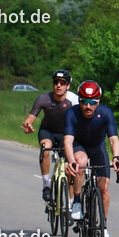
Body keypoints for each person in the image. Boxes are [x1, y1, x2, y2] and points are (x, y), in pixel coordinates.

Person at [64, 81, 119, 237]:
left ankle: (103, 227)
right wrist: (71, 161)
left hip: (98, 147)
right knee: (81, 163)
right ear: (79, 101)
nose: (88, 106)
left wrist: (117, 157)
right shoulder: (72, 113)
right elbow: (68, 141)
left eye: (92, 102)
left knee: (103, 188)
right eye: (84, 101)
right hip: (79, 145)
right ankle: (76, 201)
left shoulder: (106, 113)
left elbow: (113, 139)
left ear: (98, 102)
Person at [22, 69, 76, 202]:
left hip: (66, 134)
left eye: (62, 83)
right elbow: (31, 117)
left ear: (68, 86)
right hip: (48, 131)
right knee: (45, 148)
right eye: (56, 82)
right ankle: (46, 185)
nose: (58, 85)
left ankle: (70, 203)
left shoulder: (74, 100)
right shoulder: (44, 98)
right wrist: (28, 125)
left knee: (69, 168)